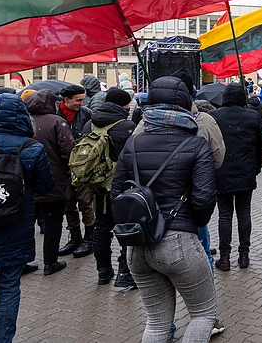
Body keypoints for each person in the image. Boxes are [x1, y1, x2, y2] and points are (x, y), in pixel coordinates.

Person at [111, 76, 217, 342]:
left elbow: (116, 195)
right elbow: (204, 199)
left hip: (138, 246)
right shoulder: (195, 144)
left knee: (157, 322)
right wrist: (192, 223)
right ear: (185, 105)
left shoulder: (133, 143)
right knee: (203, 314)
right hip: (179, 241)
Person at [0, 94, 54, 342]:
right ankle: (3, 339)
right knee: (8, 290)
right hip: (15, 230)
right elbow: (46, 186)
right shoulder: (32, 148)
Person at [81, 89, 137, 289]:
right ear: (124, 106)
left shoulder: (90, 123)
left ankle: (103, 270)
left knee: (102, 226)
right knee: (126, 228)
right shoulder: (128, 126)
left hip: (97, 187)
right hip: (122, 186)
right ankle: (125, 272)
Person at [209, 84, 262, 271]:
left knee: (224, 215)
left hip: (221, 172)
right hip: (245, 171)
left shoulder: (215, 116)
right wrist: (256, 165)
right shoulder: (252, 116)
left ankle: (224, 257)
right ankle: (244, 255)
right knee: (244, 213)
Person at [23, 90, 75, 276]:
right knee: (54, 223)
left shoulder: (23, 120)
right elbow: (68, 150)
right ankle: (50, 262)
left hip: (27, 181)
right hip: (54, 180)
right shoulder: (56, 121)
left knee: (26, 224)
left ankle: (22, 262)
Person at [56, 85, 95, 259]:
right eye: (78, 100)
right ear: (66, 100)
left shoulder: (86, 113)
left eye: (83, 99)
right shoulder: (55, 115)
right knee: (68, 203)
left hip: (83, 166)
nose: (82, 103)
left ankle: (90, 238)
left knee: (86, 203)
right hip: (63, 167)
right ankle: (75, 237)